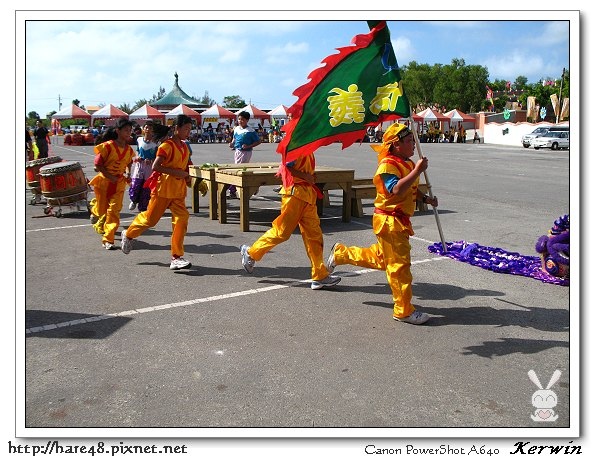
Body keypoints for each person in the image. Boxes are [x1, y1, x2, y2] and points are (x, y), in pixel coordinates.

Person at [325, 123, 438, 325]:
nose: (414, 144)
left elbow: (411, 189)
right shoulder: (388, 164)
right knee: (399, 267)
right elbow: (395, 189)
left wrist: (426, 199)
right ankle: (403, 310)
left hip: (398, 220)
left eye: (413, 140)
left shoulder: (408, 163)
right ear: (396, 145)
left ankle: (341, 253)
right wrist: (418, 170)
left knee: (381, 259)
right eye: (409, 141)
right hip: (390, 221)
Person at [239, 152, 341, 290]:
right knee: (282, 232)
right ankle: (251, 253)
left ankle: (319, 275)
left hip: (307, 196)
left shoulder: (308, 144)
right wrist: (306, 176)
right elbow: (286, 166)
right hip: (294, 195)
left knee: (314, 236)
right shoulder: (295, 143)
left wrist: (309, 176)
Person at [120, 114, 194, 271]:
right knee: (150, 220)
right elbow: (156, 166)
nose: (188, 132)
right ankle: (128, 234)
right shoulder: (166, 146)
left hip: (178, 192)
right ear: (176, 128)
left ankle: (176, 257)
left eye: (190, 129)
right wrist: (177, 173)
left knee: (182, 219)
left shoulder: (184, 146)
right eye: (186, 128)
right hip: (163, 189)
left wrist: (189, 179)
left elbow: (187, 165)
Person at [88, 117, 135, 250]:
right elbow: (98, 164)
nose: (128, 133)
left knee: (114, 211)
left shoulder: (129, 149)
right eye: (126, 130)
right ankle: (94, 208)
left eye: (130, 130)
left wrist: (128, 173)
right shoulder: (108, 146)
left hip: (119, 184)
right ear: (117, 131)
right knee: (102, 209)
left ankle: (108, 239)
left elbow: (130, 162)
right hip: (104, 182)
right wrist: (109, 176)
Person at [227, 111, 261, 199]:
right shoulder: (237, 129)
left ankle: (233, 190)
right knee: (238, 169)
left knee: (238, 170)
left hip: (246, 152)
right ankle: (252, 186)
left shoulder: (250, 130)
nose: (240, 121)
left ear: (247, 120)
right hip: (237, 151)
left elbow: (258, 141)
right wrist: (232, 143)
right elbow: (235, 138)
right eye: (239, 119)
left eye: (242, 119)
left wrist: (248, 146)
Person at [128, 120, 158, 212]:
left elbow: (157, 156)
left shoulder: (156, 143)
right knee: (136, 183)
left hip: (149, 167)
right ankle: (133, 200)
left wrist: (151, 160)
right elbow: (137, 150)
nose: (148, 130)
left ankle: (143, 206)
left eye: (150, 128)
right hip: (139, 165)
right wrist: (137, 156)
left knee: (146, 186)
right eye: (146, 127)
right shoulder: (139, 140)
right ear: (143, 129)